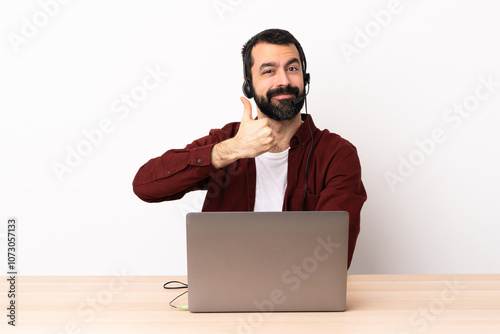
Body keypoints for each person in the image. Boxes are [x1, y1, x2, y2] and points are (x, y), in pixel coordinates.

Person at [133, 29, 367, 268]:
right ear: (248, 86)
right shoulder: (227, 141)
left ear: (305, 80)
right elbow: (145, 186)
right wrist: (231, 150)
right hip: (224, 293)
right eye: (269, 71)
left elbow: (330, 255)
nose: (284, 81)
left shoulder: (337, 154)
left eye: (292, 68)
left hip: (301, 294)